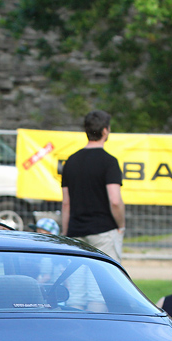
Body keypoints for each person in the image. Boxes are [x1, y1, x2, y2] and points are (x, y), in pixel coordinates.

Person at [60, 109, 125, 263]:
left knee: (77, 276)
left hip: (76, 231)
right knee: (107, 276)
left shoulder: (71, 161)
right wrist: (121, 225)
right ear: (105, 131)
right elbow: (115, 200)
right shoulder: (109, 162)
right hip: (103, 231)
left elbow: (66, 203)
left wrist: (65, 232)